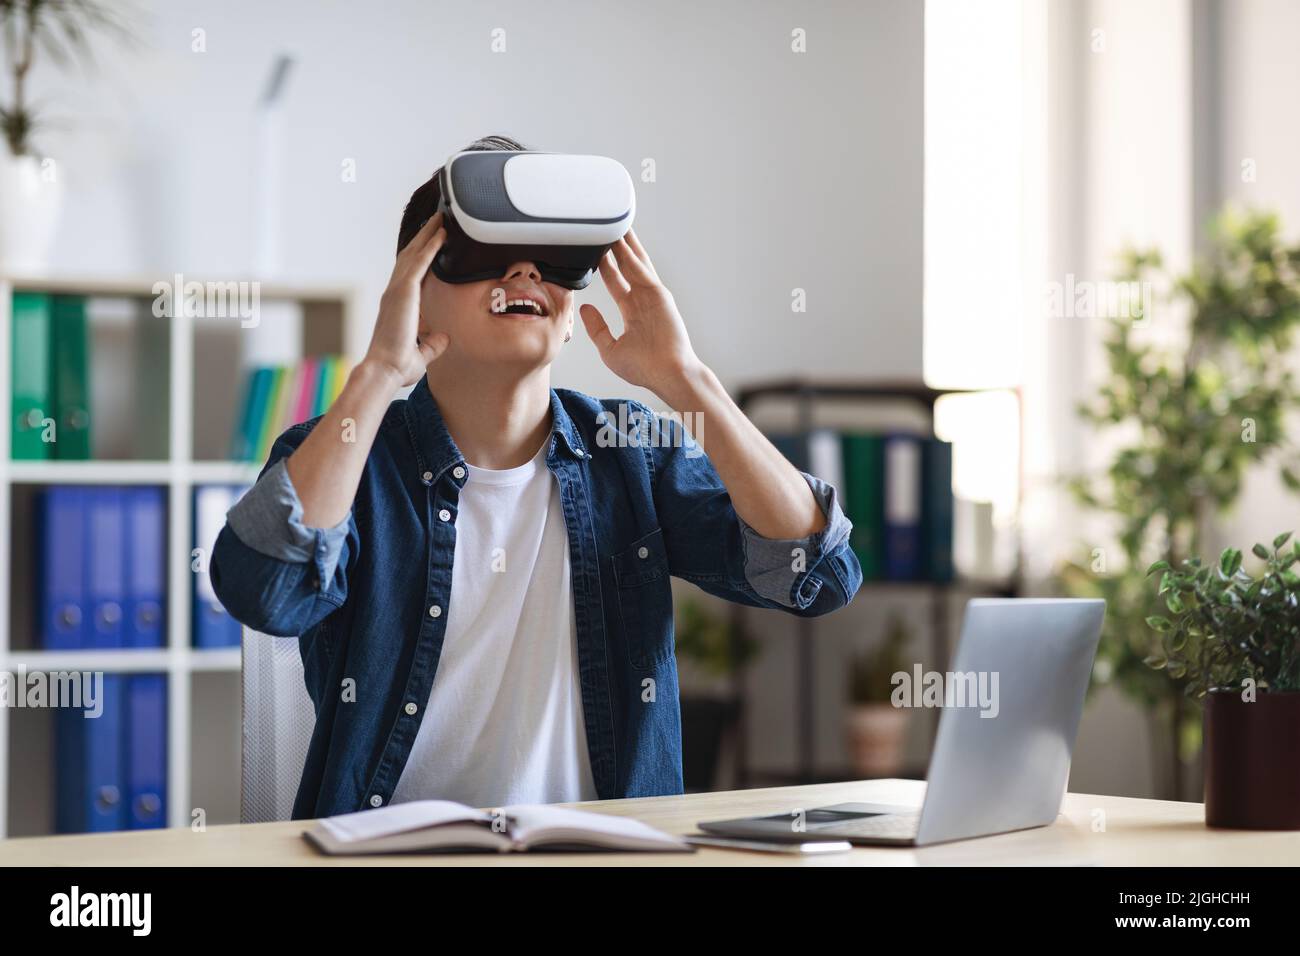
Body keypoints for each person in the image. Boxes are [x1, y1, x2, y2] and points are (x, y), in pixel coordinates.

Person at [210, 134, 862, 819]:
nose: (523, 272)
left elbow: (815, 573)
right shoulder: (349, 458)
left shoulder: (630, 450)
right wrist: (375, 375)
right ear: (415, 295)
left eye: (552, 259)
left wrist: (686, 379)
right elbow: (264, 592)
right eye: (484, 253)